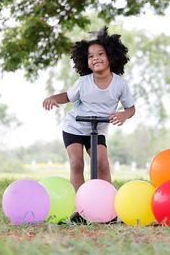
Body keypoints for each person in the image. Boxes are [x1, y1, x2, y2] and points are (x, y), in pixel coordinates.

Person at [43, 26, 135, 224]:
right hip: (75, 127)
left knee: (102, 164)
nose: (96, 58)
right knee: (77, 164)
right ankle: (80, 209)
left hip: (97, 130)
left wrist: (124, 115)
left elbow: (131, 108)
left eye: (100, 54)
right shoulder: (84, 82)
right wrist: (53, 98)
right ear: (86, 61)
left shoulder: (120, 84)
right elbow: (68, 96)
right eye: (91, 56)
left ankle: (108, 207)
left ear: (111, 56)